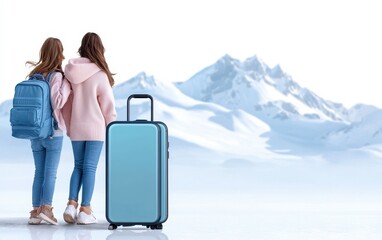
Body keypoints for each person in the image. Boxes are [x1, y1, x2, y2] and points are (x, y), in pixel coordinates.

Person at [62, 32, 117, 225]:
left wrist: (69, 127)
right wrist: (112, 126)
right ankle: (85, 210)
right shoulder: (100, 74)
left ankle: (71, 204)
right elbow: (107, 105)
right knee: (90, 168)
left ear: (82, 47)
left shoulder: (70, 72)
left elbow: (66, 105)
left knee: (78, 166)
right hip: (95, 128)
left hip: (76, 126)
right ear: (99, 49)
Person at [27, 37, 71, 225]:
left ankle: (35, 212)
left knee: (39, 172)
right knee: (50, 173)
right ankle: (47, 208)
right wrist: (67, 87)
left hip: (35, 132)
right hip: (53, 132)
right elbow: (57, 102)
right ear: (59, 54)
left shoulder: (33, 75)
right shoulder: (56, 76)